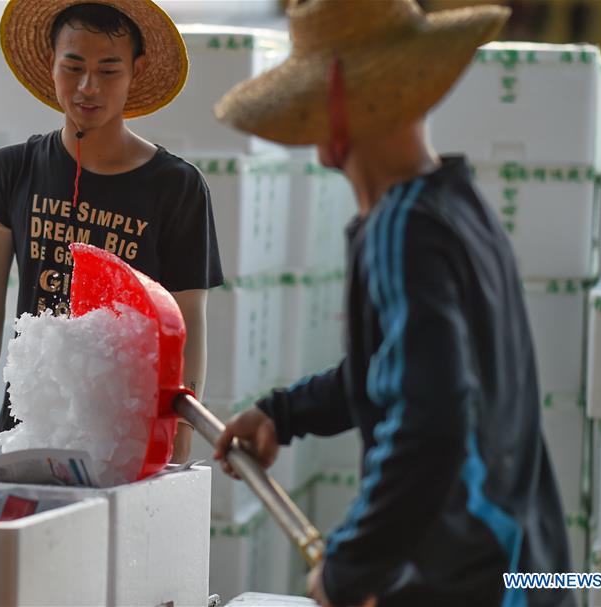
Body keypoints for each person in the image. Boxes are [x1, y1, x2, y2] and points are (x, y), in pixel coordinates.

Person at [213, 1, 573, 605]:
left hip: (466, 582)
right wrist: (286, 412)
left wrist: (349, 567)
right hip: (533, 570)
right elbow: (402, 369)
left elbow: (428, 424)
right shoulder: (459, 206)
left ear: (327, 125)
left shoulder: (400, 229)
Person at [0, 0, 223, 463]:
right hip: (26, 431)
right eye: (73, 66)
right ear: (51, 65)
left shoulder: (176, 188)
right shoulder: (8, 173)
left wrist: (175, 449)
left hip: (126, 440)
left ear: (136, 70)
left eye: (108, 70)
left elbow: (186, 322)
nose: (87, 87)